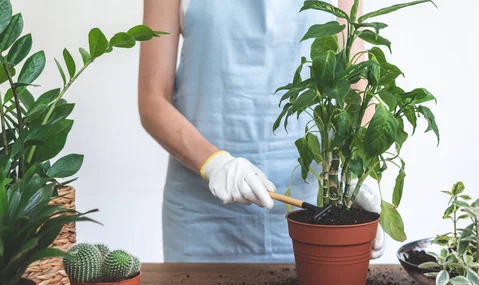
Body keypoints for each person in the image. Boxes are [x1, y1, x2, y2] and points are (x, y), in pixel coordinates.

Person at [139, 0, 386, 263]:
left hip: (312, 210)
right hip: (203, 214)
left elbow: (357, 87)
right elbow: (152, 101)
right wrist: (215, 164)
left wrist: (360, 174)